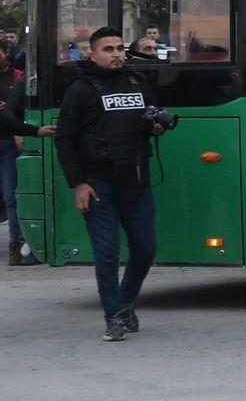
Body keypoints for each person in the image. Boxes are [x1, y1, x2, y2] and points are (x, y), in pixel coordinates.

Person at [55, 27, 170, 342]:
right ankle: (114, 316)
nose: (117, 54)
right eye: (108, 49)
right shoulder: (80, 90)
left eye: (120, 48)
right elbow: (65, 140)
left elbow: (147, 121)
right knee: (107, 252)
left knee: (145, 249)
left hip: (135, 179)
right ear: (92, 54)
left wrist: (155, 127)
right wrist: (77, 183)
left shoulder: (137, 82)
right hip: (97, 183)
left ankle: (125, 300)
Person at [1, 39, 57, 265]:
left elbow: (7, 120)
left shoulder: (18, 78)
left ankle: (19, 245)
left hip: (5, 145)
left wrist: (34, 131)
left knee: (11, 196)